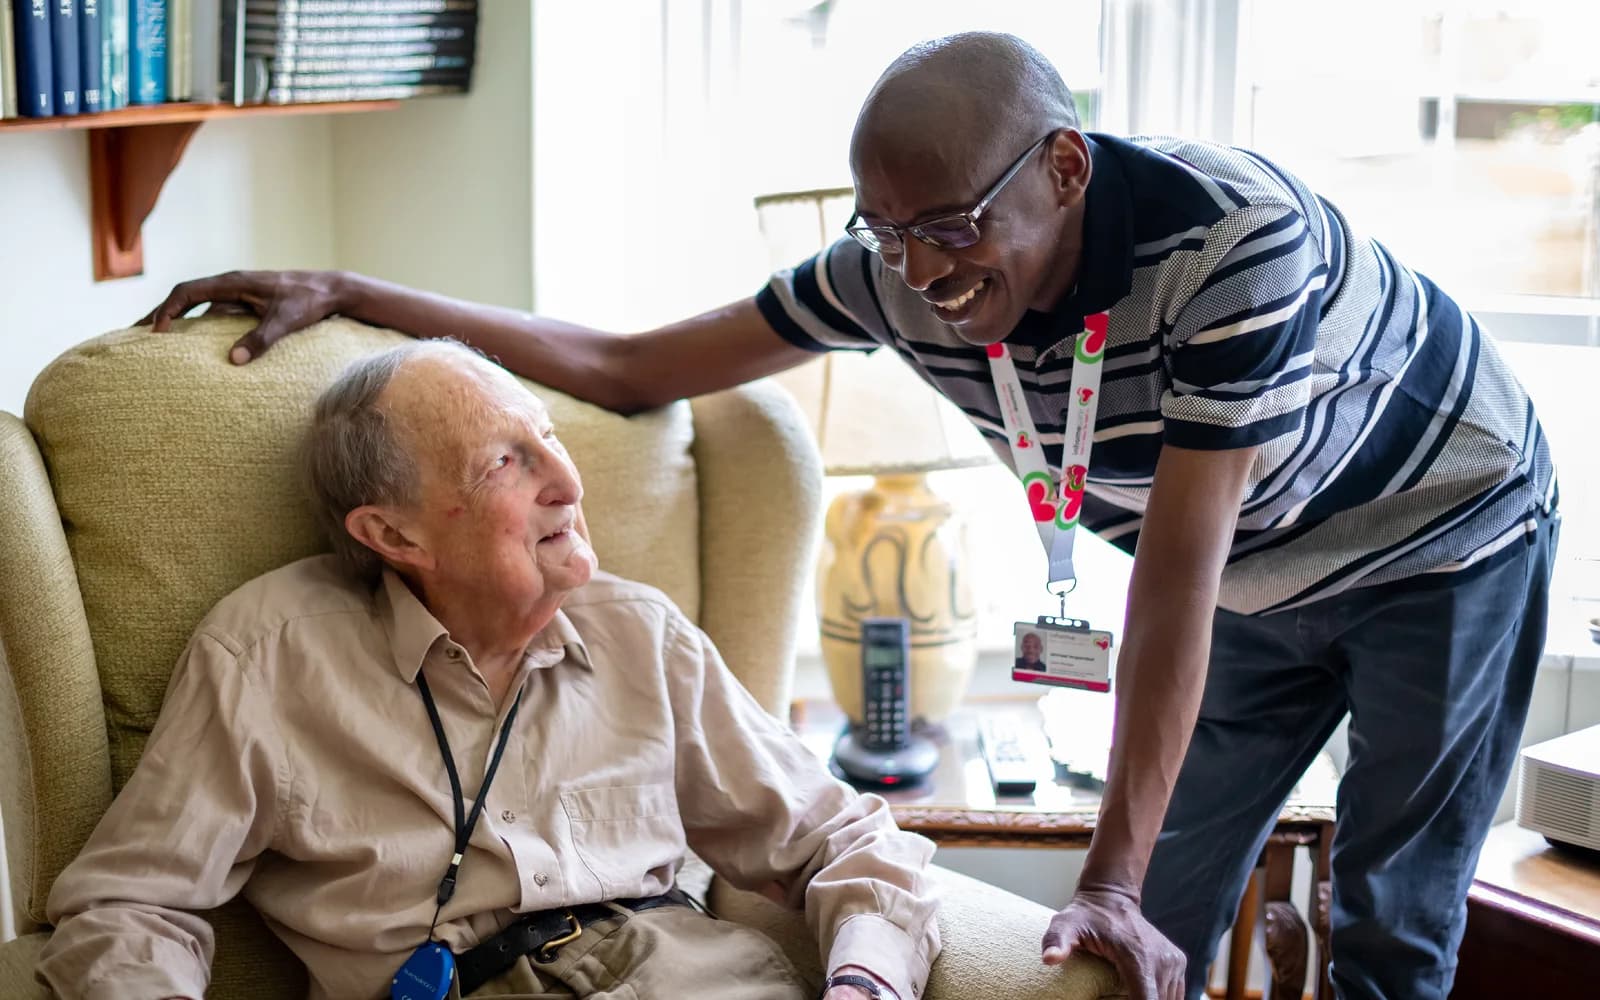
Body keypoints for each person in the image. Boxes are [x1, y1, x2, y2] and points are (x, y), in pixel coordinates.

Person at [140, 31, 1560, 1000]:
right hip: (1251, 572)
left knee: (1387, 918)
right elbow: (633, 365)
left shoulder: (1231, 246)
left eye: (949, 228)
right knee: (1156, 929)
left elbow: (1175, 575)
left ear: (1063, 169)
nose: (918, 273)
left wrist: (1105, 872)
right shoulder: (892, 271)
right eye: (886, 233)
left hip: (1437, 531)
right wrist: (358, 291)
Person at [36, 341, 939, 1000]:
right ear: (393, 534)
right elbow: (128, 906)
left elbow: (842, 839)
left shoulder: (641, 635)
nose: (568, 484)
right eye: (507, 461)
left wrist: (867, 983)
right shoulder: (265, 657)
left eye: (548, 440)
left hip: (687, 977)